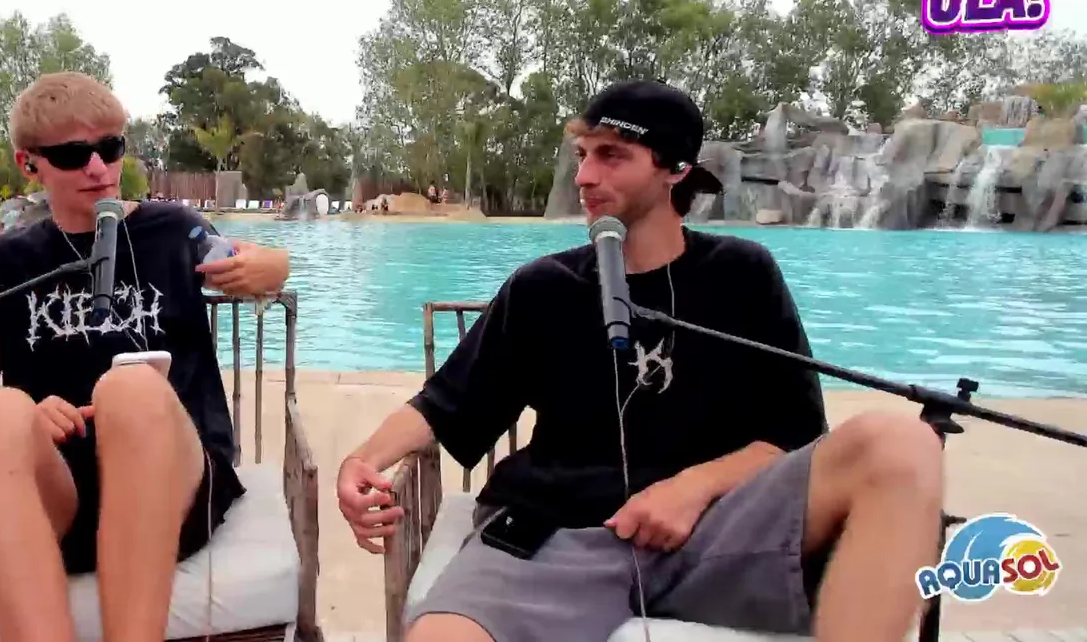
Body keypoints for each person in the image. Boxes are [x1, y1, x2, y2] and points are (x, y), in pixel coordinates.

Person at [336, 80, 944, 642]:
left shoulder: (742, 275)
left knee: (903, 444)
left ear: (675, 168)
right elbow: (444, 406)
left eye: (612, 155)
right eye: (583, 155)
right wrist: (362, 460)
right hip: (558, 535)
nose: (585, 175)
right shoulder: (543, 287)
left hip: (716, 530)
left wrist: (693, 488)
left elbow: (793, 435)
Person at [0, 71, 291, 642]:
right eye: (74, 155)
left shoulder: (175, 232)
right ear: (30, 164)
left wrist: (275, 266)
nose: (99, 168)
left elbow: (252, 262)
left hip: (166, 481)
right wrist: (28, 414)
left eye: (111, 147)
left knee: (130, 388)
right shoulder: (3, 264)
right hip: (55, 489)